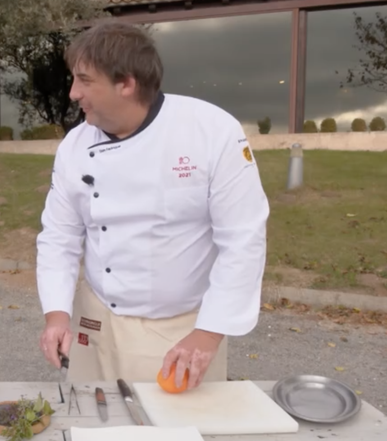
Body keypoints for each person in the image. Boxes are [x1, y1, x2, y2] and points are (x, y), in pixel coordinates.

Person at [36, 21, 270, 391]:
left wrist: (207, 336)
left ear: (126, 83)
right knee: (91, 428)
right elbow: (59, 236)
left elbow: (243, 239)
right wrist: (57, 316)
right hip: (95, 321)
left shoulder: (211, 132)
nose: (73, 92)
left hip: (179, 333)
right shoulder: (74, 146)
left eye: (84, 80)